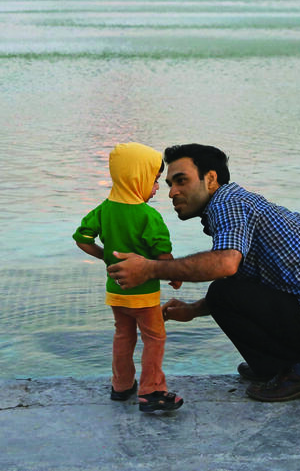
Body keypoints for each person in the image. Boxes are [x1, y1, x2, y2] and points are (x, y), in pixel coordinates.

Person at [107, 144, 300, 402]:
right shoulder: (238, 202)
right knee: (225, 292)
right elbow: (243, 281)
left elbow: (225, 264)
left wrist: (149, 269)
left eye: (181, 181)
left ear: (211, 179)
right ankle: (275, 367)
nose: (172, 192)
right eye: (169, 184)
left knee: (222, 292)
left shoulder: (227, 204)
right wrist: (193, 310)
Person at [73, 142, 184, 413]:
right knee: (154, 338)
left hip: (116, 291)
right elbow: (162, 253)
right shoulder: (148, 216)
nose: (156, 188)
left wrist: (106, 257)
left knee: (123, 335)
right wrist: (174, 275)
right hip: (144, 295)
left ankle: (121, 385)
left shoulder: (104, 209)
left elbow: (82, 238)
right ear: (138, 178)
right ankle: (152, 390)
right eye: (154, 180)